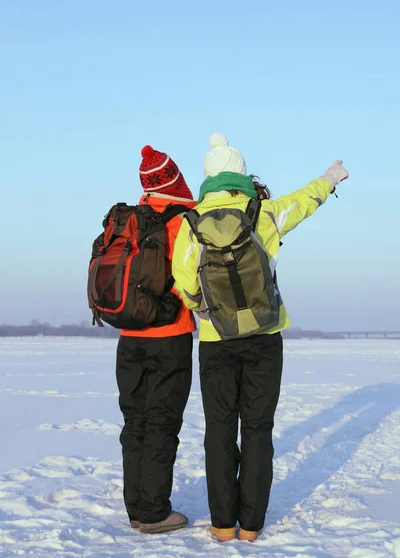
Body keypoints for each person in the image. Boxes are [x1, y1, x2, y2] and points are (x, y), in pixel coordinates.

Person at [172, 133, 348, 542]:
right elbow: (305, 201)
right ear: (240, 173)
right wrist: (330, 177)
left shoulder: (190, 223)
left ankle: (221, 525)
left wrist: (205, 308)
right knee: (257, 429)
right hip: (265, 337)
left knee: (219, 429)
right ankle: (250, 526)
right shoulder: (263, 212)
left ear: (209, 179)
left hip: (216, 341)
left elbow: (184, 282)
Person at [116, 145, 196, 534]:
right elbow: (190, 279)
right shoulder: (182, 221)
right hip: (170, 335)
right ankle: (153, 512)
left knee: (135, 422)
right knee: (162, 422)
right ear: (175, 180)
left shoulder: (129, 219)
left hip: (129, 336)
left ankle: (136, 506)